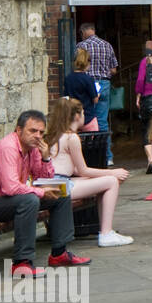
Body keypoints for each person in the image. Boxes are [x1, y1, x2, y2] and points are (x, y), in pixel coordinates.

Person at [0, 110, 88, 276]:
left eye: (41, 132)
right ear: (19, 130)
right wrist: (40, 192)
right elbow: (10, 187)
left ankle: (59, 253)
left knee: (60, 193)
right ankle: (21, 262)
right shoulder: (8, 148)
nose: (38, 136)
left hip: (13, 199)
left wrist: (46, 157)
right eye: (32, 131)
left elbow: (42, 178)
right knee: (30, 200)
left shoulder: (32, 148)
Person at [44, 97, 132, 247]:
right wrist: (112, 173)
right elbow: (83, 170)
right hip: (62, 185)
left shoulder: (54, 136)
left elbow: (78, 171)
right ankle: (106, 233)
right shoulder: (72, 137)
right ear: (77, 116)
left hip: (54, 182)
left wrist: (107, 173)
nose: (84, 116)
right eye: (83, 112)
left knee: (103, 182)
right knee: (111, 182)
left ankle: (105, 231)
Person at [75, 23, 118, 159]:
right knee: (102, 121)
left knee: (86, 120)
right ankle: (107, 156)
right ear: (94, 30)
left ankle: (89, 155)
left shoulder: (81, 46)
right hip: (104, 84)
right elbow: (114, 70)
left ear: (83, 32)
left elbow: (76, 66)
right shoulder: (107, 45)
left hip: (86, 85)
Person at [63, 48, 100, 130]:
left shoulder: (68, 78)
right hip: (88, 116)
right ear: (87, 62)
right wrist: (98, 94)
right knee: (93, 141)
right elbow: (95, 99)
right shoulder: (88, 79)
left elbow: (66, 97)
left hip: (73, 118)